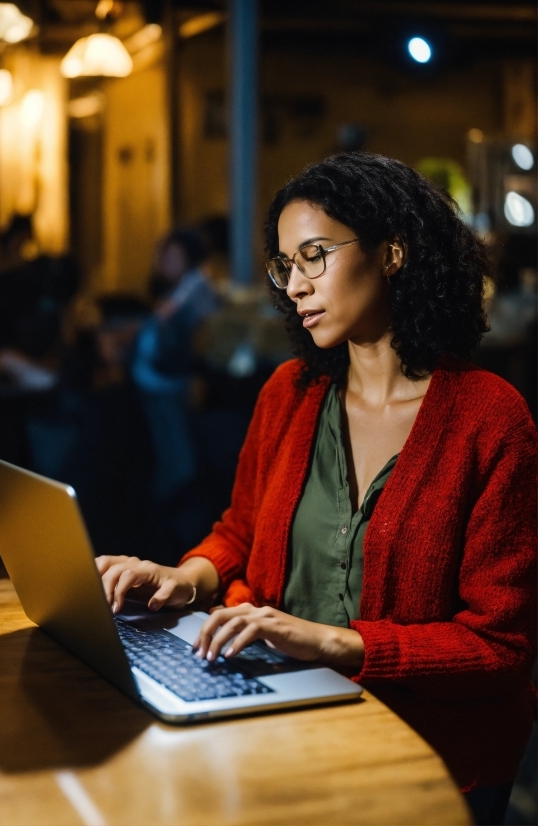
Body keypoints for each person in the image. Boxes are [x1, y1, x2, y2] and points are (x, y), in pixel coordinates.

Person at [97, 154, 536, 825]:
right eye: (286, 265)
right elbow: (240, 531)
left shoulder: (490, 418)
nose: (295, 285)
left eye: (314, 256)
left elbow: (501, 650)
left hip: (428, 760)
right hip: (277, 720)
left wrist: (334, 643)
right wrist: (183, 578)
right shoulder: (291, 394)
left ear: (392, 253)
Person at [130, 228, 219, 552]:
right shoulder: (177, 291)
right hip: (157, 389)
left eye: (171, 255)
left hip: (171, 390)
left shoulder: (195, 290)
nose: (162, 262)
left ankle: (182, 548)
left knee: (178, 466)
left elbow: (202, 342)